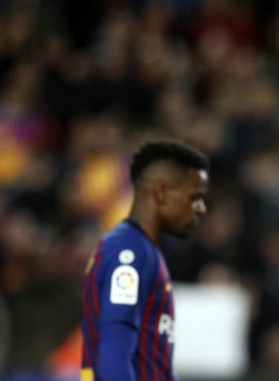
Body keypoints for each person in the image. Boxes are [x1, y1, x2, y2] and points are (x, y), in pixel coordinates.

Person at [81, 140, 209, 381]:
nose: (201, 208)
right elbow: (113, 359)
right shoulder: (128, 253)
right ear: (160, 193)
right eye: (194, 197)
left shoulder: (144, 250)